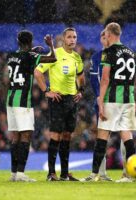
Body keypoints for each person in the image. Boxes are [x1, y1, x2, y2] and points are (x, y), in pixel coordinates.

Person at [81, 22, 136, 182]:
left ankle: (94, 174)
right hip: (128, 99)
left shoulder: (108, 52)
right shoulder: (130, 52)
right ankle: (131, 175)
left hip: (112, 99)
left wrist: (101, 102)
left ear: (110, 34)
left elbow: (104, 79)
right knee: (127, 137)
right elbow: (132, 78)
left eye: (106, 33)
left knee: (102, 136)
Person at [34, 27, 85, 181]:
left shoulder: (77, 57)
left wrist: (80, 90)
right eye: (69, 37)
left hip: (71, 101)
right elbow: (37, 72)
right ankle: (51, 173)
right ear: (63, 39)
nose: (72, 40)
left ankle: (64, 174)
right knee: (55, 135)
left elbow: (81, 76)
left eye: (74, 37)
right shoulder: (54, 54)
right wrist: (46, 91)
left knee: (68, 135)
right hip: (57, 99)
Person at [7, 30, 56, 182]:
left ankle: (14, 173)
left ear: (18, 41)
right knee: (26, 135)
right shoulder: (30, 56)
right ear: (31, 41)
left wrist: (32, 52)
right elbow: (52, 58)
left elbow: (24, 59)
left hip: (10, 99)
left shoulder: (12, 56)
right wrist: (51, 45)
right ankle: (21, 173)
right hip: (22, 101)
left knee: (15, 137)